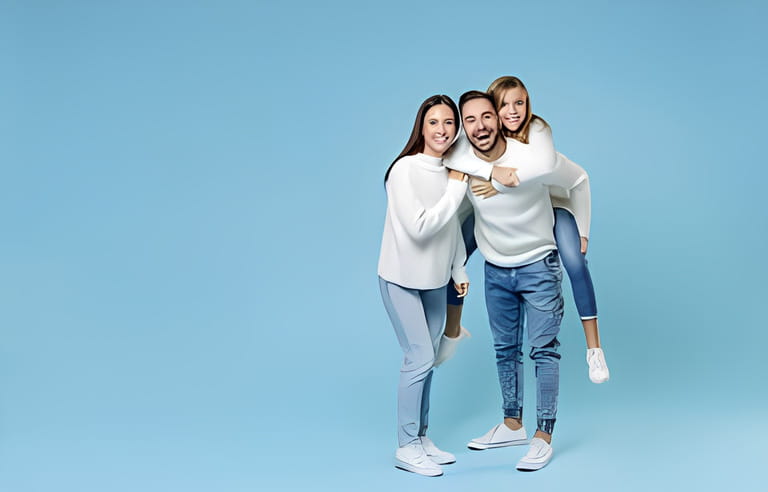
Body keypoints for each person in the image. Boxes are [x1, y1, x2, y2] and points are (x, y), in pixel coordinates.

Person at [444, 90, 589, 471]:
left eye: (486, 116)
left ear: (500, 117)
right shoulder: (466, 162)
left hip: (539, 266)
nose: (480, 126)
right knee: (505, 349)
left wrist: (582, 228)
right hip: (496, 270)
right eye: (470, 120)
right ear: (463, 127)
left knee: (544, 350)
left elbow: (574, 177)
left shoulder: (530, 157)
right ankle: (511, 424)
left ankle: (543, 434)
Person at [437, 76, 609, 384]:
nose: (513, 111)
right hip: (498, 222)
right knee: (452, 254)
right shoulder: (479, 144)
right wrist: (489, 173)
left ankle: (594, 349)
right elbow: (450, 154)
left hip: (556, 208)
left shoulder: (537, 141)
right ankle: (452, 330)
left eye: (520, 103)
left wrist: (583, 230)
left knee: (575, 261)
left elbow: (575, 178)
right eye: (503, 106)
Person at [378, 94, 470, 477]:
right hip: (400, 278)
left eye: (449, 123)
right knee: (417, 357)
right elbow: (419, 227)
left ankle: (422, 438)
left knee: (428, 360)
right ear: (422, 126)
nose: (442, 130)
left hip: (434, 281)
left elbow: (450, 227)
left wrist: (459, 268)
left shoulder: (451, 173)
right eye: (434, 122)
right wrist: (455, 190)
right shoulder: (404, 170)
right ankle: (406, 445)